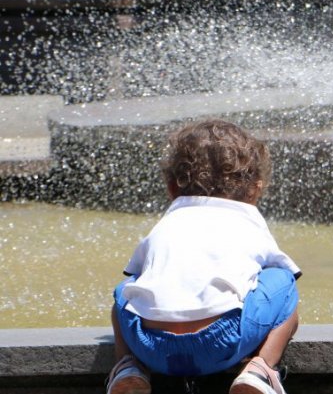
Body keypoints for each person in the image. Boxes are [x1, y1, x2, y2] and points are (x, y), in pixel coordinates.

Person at [106, 120, 301, 394]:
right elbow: (274, 277)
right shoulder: (247, 219)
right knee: (285, 281)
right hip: (222, 343)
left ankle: (128, 367)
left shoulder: (166, 223)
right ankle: (260, 370)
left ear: (171, 188)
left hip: (151, 347)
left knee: (124, 290)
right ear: (255, 190)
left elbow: (136, 276)